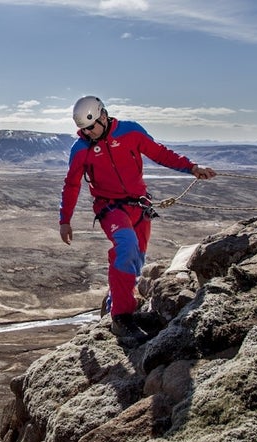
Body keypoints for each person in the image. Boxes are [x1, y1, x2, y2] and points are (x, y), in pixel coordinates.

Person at [58, 95, 216, 340]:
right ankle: (121, 318)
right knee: (126, 246)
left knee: (135, 261)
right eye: (83, 129)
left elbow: (160, 153)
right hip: (110, 208)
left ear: (102, 115)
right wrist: (65, 220)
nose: (88, 133)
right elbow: (71, 185)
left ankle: (115, 301)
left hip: (139, 207)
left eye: (91, 127)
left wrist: (191, 168)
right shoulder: (81, 150)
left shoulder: (130, 132)